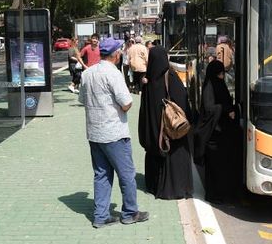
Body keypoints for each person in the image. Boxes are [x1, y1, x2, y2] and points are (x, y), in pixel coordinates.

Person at [78, 37, 148, 228]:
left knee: (101, 174)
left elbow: (82, 100)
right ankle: (130, 212)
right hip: (114, 133)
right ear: (116, 55)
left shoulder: (87, 73)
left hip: (94, 132)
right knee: (126, 174)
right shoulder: (114, 74)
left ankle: (100, 216)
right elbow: (126, 103)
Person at [138, 46, 193, 200]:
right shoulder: (171, 77)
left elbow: (144, 110)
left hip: (155, 133)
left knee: (155, 156)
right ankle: (176, 188)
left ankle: (154, 186)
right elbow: (182, 101)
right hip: (171, 129)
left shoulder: (148, 81)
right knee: (176, 155)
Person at [193, 60, 242, 204]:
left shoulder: (218, 84)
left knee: (223, 165)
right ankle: (214, 194)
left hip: (222, 131)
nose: (222, 76)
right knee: (215, 166)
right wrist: (226, 110)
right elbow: (209, 109)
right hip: (214, 133)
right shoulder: (209, 86)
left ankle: (223, 192)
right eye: (220, 73)